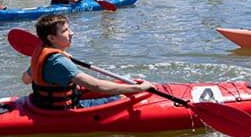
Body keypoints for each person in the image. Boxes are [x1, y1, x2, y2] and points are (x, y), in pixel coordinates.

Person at [21, 15, 153, 109]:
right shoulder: (59, 62)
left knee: (117, 86)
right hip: (63, 111)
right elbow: (97, 86)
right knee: (122, 98)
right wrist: (138, 88)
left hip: (41, 104)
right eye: (65, 31)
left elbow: (26, 79)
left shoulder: (40, 53)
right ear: (51, 38)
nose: (71, 33)